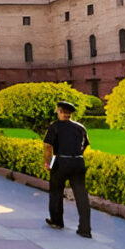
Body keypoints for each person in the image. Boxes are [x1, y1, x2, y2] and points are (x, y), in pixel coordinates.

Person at [43, 100, 92, 238]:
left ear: (59, 111)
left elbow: (48, 146)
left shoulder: (55, 126)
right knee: (81, 195)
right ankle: (85, 229)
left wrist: (48, 163)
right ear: (70, 113)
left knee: (56, 192)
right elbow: (86, 145)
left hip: (61, 162)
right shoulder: (80, 127)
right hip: (78, 162)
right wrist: (77, 156)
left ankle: (57, 221)